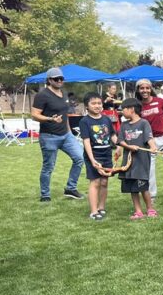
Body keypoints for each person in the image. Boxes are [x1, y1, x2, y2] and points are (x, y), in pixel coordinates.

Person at [31, 67, 84, 202]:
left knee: (80, 158)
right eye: (56, 79)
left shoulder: (63, 93)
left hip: (66, 135)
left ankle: (71, 188)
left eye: (61, 78)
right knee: (48, 167)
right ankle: (45, 195)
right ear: (49, 80)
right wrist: (50, 119)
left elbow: (64, 115)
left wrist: (70, 132)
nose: (60, 81)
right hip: (49, 136)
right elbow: (34, 115)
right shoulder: (42, 95)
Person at [135, 79, 163, 200]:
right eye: (142, 88)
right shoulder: (138, 106)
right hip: (150, 140)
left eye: (147, 88)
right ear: (138, 90)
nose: (145, 90)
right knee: (150, 168)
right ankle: (152, 195)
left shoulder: (160, 101)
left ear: (151, 89)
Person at [116, 98, 157, 219]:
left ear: (131, 109)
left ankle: (150, 209)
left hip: (141, 162)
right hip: (129, 162)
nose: (122, 112)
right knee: (132, 188)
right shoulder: (124, 125)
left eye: (123, 109)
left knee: (143, 187)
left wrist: (153, 146)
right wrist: (129, 146)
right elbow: (120, 141)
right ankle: (138, 211)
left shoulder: (144, 123)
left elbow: (149, 138)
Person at [79, 93, 116, 220]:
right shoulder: (85, 121)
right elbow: (86, 141)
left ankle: (101, 207)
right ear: (87, 106)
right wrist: (92, 160)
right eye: (93, 103)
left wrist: (122, 145)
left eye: (99, 103)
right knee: (95, 182)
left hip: (107, 154)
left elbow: (112, 136)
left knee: (104, 182)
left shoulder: (106, 119)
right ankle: (93, 211)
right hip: (93, 155)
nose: (97, 106)